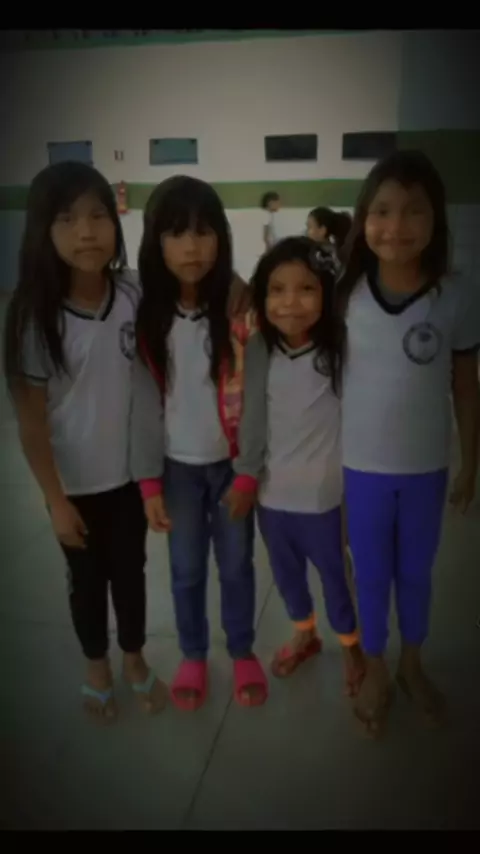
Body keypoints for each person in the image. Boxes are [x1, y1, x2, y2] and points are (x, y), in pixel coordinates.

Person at [3, 162, 166, 722]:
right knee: (87, 584)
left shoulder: (133, 292)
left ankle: (135, 659)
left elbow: (194, 292)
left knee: (132, 575)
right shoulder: (34, 317)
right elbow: (31, 424)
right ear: (42, 230)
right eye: (67, 219)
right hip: (75, 488)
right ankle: (97, 665)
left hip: (129, 479)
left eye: (99, 215)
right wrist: (55, 500)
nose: (87, 232)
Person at [336, 149, 480, 737]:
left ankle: (411, 664)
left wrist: (470, 463)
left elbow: (466, 385)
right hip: (361, 469)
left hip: (426, 469)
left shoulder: (455, 295)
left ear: (435, 219)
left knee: (416, 573)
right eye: (382, 210)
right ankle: (375, 667)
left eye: (414, 210)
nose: (396, 226)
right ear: (363, 218)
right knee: (371, 574)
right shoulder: (344, 294)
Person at [130, 175, 268, 712]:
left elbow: (255, 396)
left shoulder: (240, 311)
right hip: (177, 472)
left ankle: (242, 649)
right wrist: (148, 481)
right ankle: (193, 653)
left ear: (221, 238)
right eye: (176, 233)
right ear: (155, 241)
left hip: (231, 467)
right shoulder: (148, 317)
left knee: (236, 566)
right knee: (186, 569)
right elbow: (144, 405)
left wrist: (249, 470)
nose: (191, 246)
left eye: (204, 231)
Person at [224, 236, 365, 697]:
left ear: (327, 293)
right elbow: (253, 418)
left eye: (306, 289)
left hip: (324, 499)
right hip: (272, 497)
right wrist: (246, 475)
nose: (290, 303)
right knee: (286, 576)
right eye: (277, 290)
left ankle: (352, 646)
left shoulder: (341, 349)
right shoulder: (261, 348)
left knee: (336, 577)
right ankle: (305, 633)